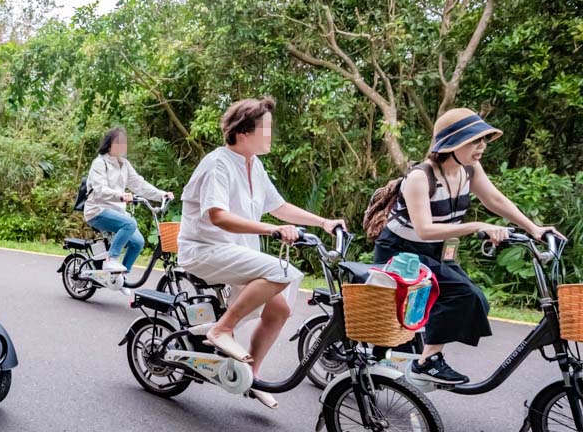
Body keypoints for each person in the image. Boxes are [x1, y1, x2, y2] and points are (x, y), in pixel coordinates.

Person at [375, 107, 564, 385]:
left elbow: (495, 200)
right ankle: (427, 362)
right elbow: (425, 230)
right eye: (474, 141)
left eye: (484, 140)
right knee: (463, 294)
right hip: (402, 251)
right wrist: (477, 226)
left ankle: (415, 351)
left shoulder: (468, 170)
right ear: (450, 144)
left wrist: (533, 229)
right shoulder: (420, 177)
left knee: (477, 300)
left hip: (437, 250)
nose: (482, 146)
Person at [177, 98, 346, 408]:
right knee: (282, 271)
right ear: (243, 132)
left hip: (237, 252)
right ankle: (222, 328)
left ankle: (250, 378)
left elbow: (278, 206)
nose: (271, 135)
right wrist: (270, 230)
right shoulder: (219, 163)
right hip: (205, 250)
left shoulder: (255, 164)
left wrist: (323, 222)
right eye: (266, 129)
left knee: (280, 310)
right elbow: (217, 215)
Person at [83, 127, 173, 273]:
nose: (122, 146)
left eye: (124, 143)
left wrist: (161, 194)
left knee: (138, 242)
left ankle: (121, 277)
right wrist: (120, 195)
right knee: (130, 223)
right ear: (109, 144)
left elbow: (139, 184)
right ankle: (111, 260)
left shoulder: (124, 164)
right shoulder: (100, 163)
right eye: (118, 142)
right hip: (97, 210)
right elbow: (100, 189)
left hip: (117, 212)